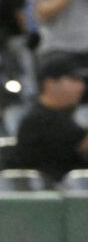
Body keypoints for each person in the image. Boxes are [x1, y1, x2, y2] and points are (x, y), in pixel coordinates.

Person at [11, 51, 88, 183]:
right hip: (46, 194)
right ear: (50, 83)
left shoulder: (66, 117)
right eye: (74, 80)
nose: (81, 87)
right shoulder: (39, 120)